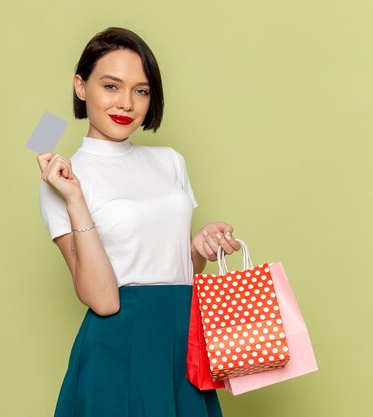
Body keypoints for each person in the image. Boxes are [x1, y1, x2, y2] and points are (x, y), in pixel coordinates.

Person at [37, 26, 241, 417]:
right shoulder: (64, 181)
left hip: (184, 339)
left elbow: (174, 265)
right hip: (119, 347)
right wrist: (75, 197)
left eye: (141, 90)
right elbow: (104, 300)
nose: (126, 103)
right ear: (81, 87)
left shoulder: (170, 161)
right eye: (111, 86)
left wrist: (196, 248)